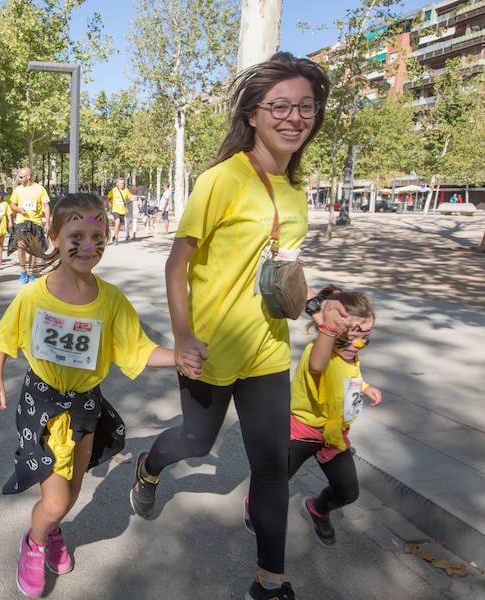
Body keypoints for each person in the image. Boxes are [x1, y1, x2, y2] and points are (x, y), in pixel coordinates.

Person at [128, 52, 333, 600]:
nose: (295, 117)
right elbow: (178, 261)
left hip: (267, 349)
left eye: (306, 107)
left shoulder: (294, 189)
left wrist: (315, 306)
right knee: (197, 442)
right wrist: (183, 335)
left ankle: (271, 580)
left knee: (271, 464)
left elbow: (281, 265)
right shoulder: (220, 179)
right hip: (211, 348)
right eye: (281, 106)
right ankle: (149, 465)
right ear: (253, 115)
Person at [0, 193, 175, 598]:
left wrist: (181, 357)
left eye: (97, 234)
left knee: (71, 492)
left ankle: (51, 531)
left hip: (86, 405)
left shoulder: (111, 300)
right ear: (54, 235)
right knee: (53, 502)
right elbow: (4, 336)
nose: (88, 246)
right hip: (43, 404)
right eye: (76, 234)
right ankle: (36, 542)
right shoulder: (34, 295)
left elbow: (137, 350)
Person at [244, 285, 381, 549]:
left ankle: (318, 509)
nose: (356, 346)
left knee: (348, 491)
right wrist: (326, 329)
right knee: (273, 480)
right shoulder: (318, 353)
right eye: (347, 338)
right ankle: (253, 504)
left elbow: (350, 377)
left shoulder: (350, 356)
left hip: (333, 436)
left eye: (364, 340)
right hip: (303, 432)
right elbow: (319, 367)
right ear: (331, 332)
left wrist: (366, 387)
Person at [9, 166, 51, 284]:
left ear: (28, 176)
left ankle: (31, 272)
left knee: (34, 249)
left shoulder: (40, 189)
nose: (19, 179)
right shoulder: (17, 190)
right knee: (21, 246)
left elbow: (46, 206)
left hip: (36, 222)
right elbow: (12, 205)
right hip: (21, 221)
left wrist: (47, 222)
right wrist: (19, 209)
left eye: (21, 177)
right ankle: (23, 271)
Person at [107, 177, 132, 244]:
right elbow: (108, 198)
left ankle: (114, 235)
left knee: (119, 225)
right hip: (115, 209)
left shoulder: (126, 190)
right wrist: (107, 205)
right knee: (117, 222)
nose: (121, 185)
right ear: (117, 184)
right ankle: (116, 238)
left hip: (122, 210)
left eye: (123, 183)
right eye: (120, 183)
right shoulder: (113, 190)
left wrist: (127, 202)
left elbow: (130, 198)